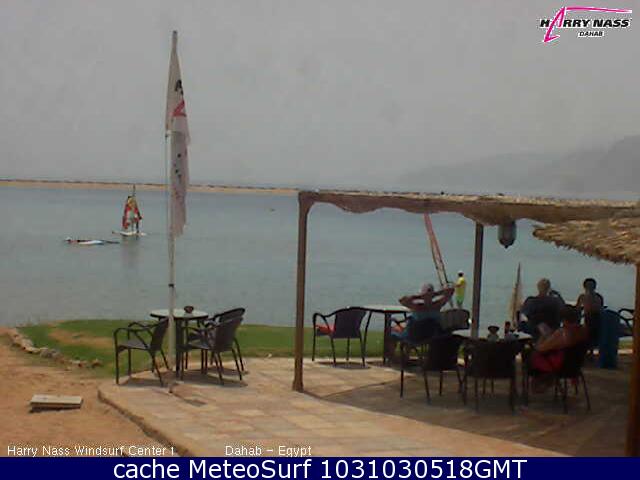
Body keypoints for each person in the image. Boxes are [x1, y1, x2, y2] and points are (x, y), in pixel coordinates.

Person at [529, 306, 588, 391]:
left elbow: (540, 348)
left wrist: (543, 337)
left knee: (530, 355)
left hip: (559, 366)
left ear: (562, 319)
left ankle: (541, 383)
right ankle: (546, 381)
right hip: (575, 366)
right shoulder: (583, 331)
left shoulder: (562, 333)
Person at [576, 278, 604, 347]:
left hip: (597, 319)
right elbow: (578, 309)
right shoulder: (582, 297)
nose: (590, 287)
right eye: (588, 285)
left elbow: (601, 308)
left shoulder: (598, 297)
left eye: (592, 285)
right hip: (588, 318)